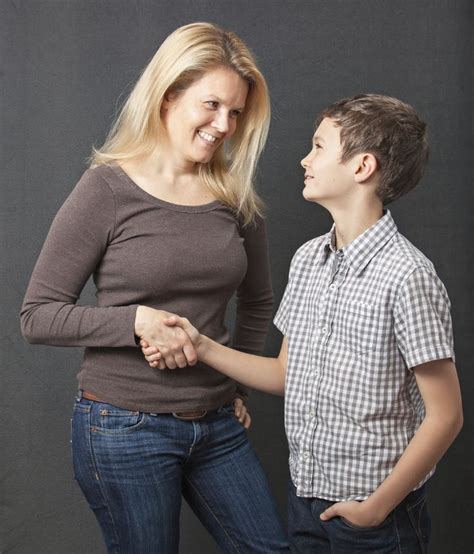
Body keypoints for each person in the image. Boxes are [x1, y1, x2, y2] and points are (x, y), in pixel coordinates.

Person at [142, 94, 463, 553]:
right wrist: (202, 345)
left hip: (376, 514)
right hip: (306, 501)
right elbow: (285, 374)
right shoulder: (310, 259)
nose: (304, 159)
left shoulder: (408, 276)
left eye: (318, 147)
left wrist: (375, 508)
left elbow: (446, 414)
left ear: (362, 167)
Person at [20, 22, 289, 553]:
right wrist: (134, 319)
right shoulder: (107, 188)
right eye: (211, 105)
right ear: (168, 96)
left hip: (216, 425)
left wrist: (236, 387)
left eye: (235, 113)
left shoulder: (233, 196)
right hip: (123, 428)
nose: (224, 125)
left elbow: (257, 300)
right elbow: (38, 315)